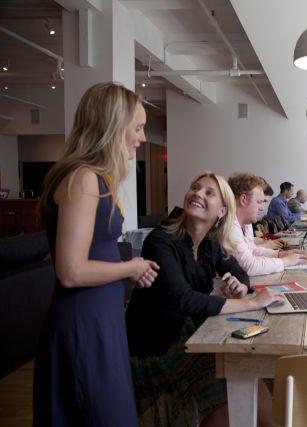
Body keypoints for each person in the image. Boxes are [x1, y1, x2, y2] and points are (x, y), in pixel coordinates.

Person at [33, 82, 160, 426]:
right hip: (83, 324)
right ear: (112, 127)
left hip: (100, 318)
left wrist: (129, 269)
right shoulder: (84, 180)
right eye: (137, 127)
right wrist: (129, 266)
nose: (142, 137)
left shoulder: (95, 179)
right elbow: (71, 271)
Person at [125, 172, 285, 427]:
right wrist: (250, 303)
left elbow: (241, 271)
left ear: (222, 211)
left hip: (186, 337)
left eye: (209, 192)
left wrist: (240, 287)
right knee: (233, 369)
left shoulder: (209, 243)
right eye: (195, 188)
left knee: (239, 369)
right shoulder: (161, 241)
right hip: (154, 350)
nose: (198, 193)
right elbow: (184, 300)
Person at [228, 172, 307, 275]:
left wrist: (280, 254)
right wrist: (286, 261)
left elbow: (252, 251)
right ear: (243, 200)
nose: (263, 208)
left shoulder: (245, 223)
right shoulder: (229, 225)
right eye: (259, 202)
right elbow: (249, 266)